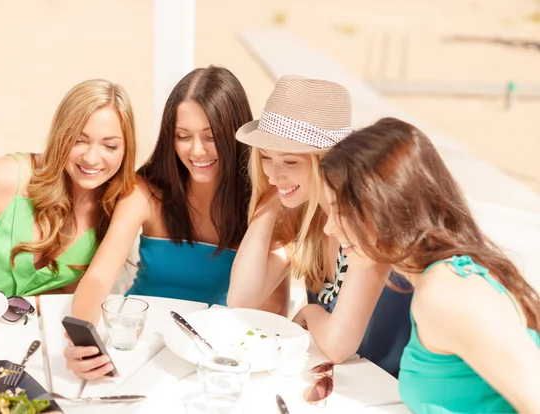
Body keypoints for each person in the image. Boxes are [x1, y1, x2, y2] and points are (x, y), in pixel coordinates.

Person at [64, 66, 287, 380]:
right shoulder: (146, 192)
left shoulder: (264, 202)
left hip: (216, 355)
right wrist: (83, 339)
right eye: (183, 137)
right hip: (139, 345)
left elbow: (273, 309)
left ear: (234, 135)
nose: (196, 151)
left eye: (211, 137)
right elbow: (100, 277)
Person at [320, 117, 540, 412]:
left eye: (340, 211)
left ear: (382, 208)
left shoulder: (448, 292)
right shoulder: (434, 281)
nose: (328, 228)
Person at [228, 75, 413, 377]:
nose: (274, 175)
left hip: (391, 391)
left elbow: (339, 345)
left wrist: (310, 312)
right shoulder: (306, 215)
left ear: (327, 161)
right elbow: (241, 299)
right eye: (265, 158)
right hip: (342, 384)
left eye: (290, 163)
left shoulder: (366, 223)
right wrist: (268, 206)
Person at [0, 79, 137, 296]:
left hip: (20, 328)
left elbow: (65, 296)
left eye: (110, 146)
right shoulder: (6, 178)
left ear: (126, 149)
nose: (91, 158)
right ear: (60, 136)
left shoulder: (116, 212)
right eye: (78, 140)